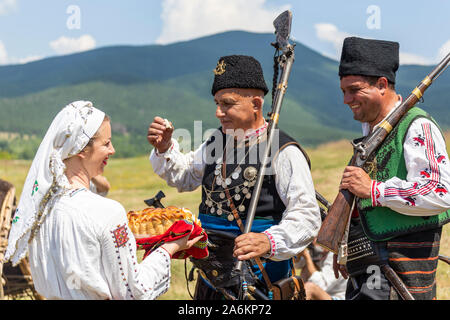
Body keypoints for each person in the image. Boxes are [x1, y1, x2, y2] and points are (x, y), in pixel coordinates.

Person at [148, 55, 321, 299]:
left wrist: (268, 241)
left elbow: (306, 215)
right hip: (210, 284)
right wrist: (165, 148)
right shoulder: (216, 142)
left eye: (228, 104)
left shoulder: (284, 151)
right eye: (217, 103)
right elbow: (185, 175)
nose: (219, 112)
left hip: (260, 285)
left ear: (256, 104)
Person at [4, 101, 202, 300]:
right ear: (81, 149)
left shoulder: (40, 210)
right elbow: (133, 292)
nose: (112, 150)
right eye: (106, 143)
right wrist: (171, 246)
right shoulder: (107, 212)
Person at [334, 37, 450, 300]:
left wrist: (374, 191)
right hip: (366, 270)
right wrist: (346, 248)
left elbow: (440, 192)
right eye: (343, 91)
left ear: (382, 85)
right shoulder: (370, 134)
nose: (346, 99)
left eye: (354, 90)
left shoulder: (417, 125)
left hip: (400, 273)